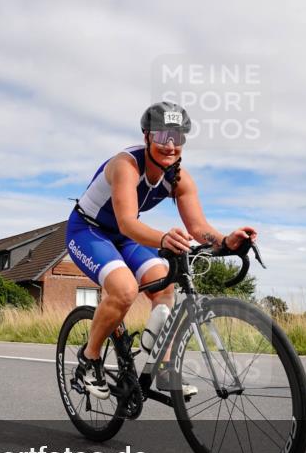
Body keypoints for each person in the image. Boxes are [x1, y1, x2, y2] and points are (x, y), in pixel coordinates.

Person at [66, 102, 257, 400]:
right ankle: (90, 359)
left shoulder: (180, 178)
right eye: (162, 136)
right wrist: (164, 238)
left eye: (178, 137)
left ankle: (166, 368)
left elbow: (198, 228)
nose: (170, 145)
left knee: (166, 282)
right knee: (124, 289)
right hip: (88, 230)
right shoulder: (125, 166)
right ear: (146, 137)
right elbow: (127, 223)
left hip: (124, 237)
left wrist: (226, 241)